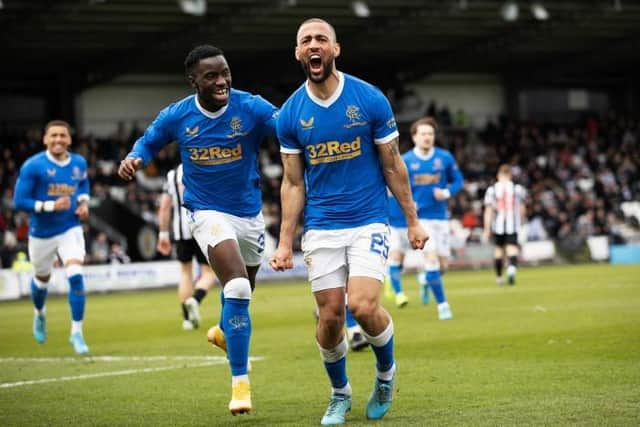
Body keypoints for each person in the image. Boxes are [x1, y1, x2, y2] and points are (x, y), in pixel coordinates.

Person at [270, 18, 427, 425]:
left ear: (335, 49)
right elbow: (291, 182)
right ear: (298, 53)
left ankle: (386, 375)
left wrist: (412, 221)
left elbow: (393, 165)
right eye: (306, 40)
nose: (314, 45)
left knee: (362, 304)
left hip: (369, 219)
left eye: (321, 38)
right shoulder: (290, 114)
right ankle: (340, 394)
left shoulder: (369, 99)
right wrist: (285, 242)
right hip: (321, 226)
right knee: (330, 318)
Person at [118, 45, 278, 415]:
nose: (221, 81)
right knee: (236, 284)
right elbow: (149, 140)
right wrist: (134, 158)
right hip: (205, 212)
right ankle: (240, 385)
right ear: (194, 81)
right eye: (211, 76)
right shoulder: (178, 115)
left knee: (244, 292)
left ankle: (224, 332)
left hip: (250, 215)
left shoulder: (250, 107)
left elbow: (287, 127)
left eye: (225, 72)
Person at [13, 120, 91, 355]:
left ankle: (76, 332)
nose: (58, 140)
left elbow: (84, 183)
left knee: (76, 277)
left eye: (63, 136)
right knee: (41, 283)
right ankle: (39, 314)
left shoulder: (79, 162)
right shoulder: (32, 166)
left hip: (70, 228)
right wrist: (50, 206)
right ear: (45, 139)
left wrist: (83, 203)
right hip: (41, 233)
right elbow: (19, 202)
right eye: (54, 136)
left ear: (69, 139)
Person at [402, 117, 464, 320]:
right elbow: (398, 187)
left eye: (430, 133)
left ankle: (426, 280)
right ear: (414, 137)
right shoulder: (406, 160)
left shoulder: (444, 158)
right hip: (420, 221)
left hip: (441, 217)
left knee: (443, 264)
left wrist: (446, 193)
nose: (427, 137)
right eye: (423, 134)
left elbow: (458, 180)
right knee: (431, 260)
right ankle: (443, 305)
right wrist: (409, 204)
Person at [156, 163, 216, 330]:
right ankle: (195, 299)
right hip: (204, 228)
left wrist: (163, 233)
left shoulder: (172, 174)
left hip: (181, 231)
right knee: (209, 272)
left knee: (185, 272)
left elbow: (164, 207)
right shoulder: (205, 168)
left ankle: (187, 320)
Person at [483, 164, 527, 285]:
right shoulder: (518, 189)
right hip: (513, 225)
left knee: (498, 250)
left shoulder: (492, 190)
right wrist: (522, 222)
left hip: (498, 226)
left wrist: (487, 229)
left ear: (498, 175)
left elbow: (489, 211)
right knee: (512, 248)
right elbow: (523, 209)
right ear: (510, 176)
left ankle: (499, 277)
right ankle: (511, 269)